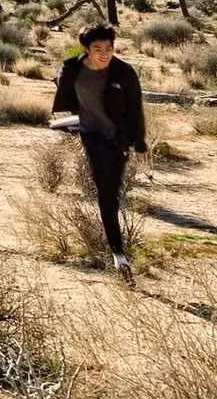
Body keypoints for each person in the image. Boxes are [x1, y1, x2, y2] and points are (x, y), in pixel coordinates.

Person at [51, 24, 148, 278]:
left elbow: (136, 108)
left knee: (113, 191)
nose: (105, 53)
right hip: (91, 134)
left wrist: (139, 143)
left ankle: (116, 247)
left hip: (119, 137)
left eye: (109, 48)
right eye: (98, 49)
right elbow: (62, 83)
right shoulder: (73, 68)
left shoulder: (124, 72)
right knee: (104, 188)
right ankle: (118, 254)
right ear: (86, 49)